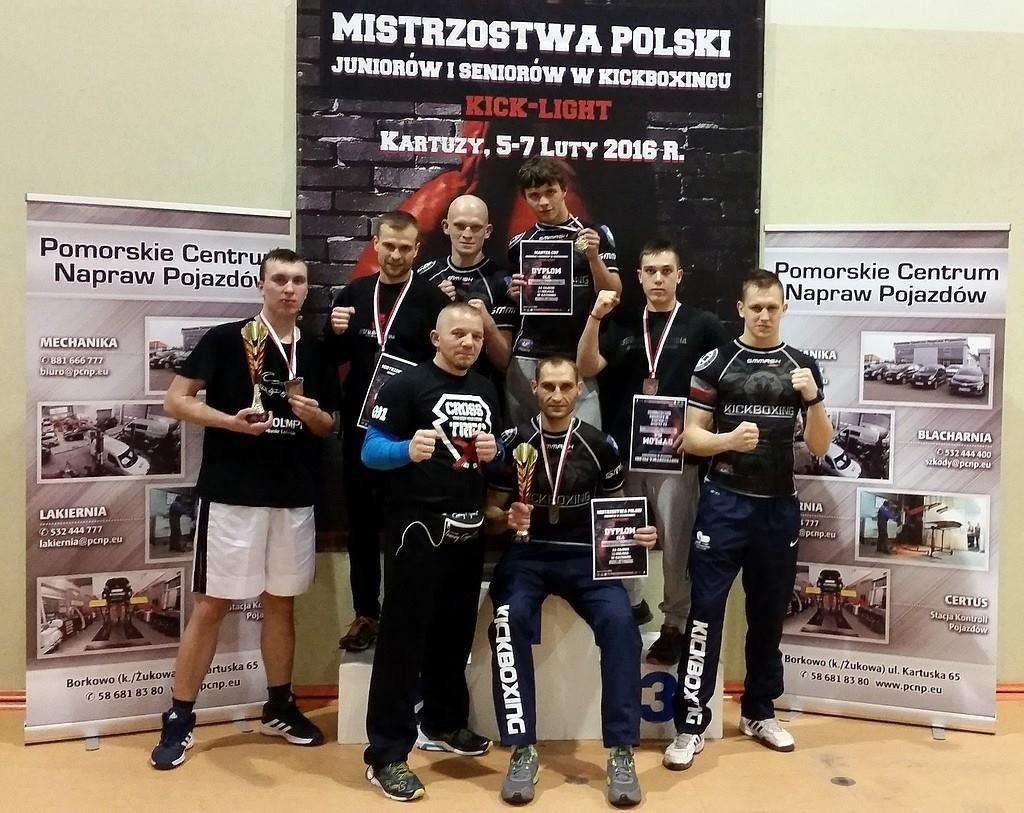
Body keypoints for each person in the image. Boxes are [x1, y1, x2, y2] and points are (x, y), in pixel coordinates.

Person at [150, 248, 337, 770]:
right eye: (279, 279)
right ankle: (179, 717)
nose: (289, 289)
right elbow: (175, 401)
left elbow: (329, 426)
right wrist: (230, 422)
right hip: (232, 495)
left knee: (281, 604)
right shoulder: (225, 338)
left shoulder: (315, 351)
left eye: (298, 280)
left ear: (306, 289)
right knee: (212, 606)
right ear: (261, 285)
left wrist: (314, 416)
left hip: (293, 497)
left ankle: (279, 706)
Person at [663, 269, 831, 770]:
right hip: (724, 504)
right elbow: (691, 438)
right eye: (755, 307)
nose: (763, 315)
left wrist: (813, 399)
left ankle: (759, 711)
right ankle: (690, 724)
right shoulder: (716, 362)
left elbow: (820, 446)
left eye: (772, 307)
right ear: (741, 309)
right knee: (705, 612)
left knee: (769, 613)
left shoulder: (803, 366)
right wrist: (728, 441)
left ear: (784, 309)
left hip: (778, 506)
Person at [483, 357, 657, 807]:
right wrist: (506, 518)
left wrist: (638, 534)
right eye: (548, 387)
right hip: (527, 557)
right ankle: (522, 748)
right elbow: (490, 513)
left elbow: (618, 511)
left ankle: (621, 751)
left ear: (579, 388)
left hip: (586, 560)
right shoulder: (513, 443)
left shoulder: (601, 445)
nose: (557, 396)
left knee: (621, 625)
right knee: (507, 623)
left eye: (565, 386)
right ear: (534, 390)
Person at [360, 302, 502, 802]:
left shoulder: (486, 388)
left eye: (476, 336)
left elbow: (492, 454)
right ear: (437, 338)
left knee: (453, 636)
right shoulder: (405, 385)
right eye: (458, 334)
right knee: (402, 643)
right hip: (416, 531)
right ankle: (385, 754)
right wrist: (405, 450)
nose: (468, 343)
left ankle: (442, 723)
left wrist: (496, 453)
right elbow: (369, 451)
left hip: (468, 530)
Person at [578, 239, 728, 663]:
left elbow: (724, 382)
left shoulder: (703, 324)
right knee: (621, 540)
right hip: (625, 455)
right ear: (639, 277)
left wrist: (703, 429)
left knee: (677, 544)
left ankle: (674, 625)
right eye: (650, 271)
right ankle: (626, 613)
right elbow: (586, 367)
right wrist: (594, 317)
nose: (658, 278)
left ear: (679, 275)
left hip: (677, 456)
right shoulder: (624, 321)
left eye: (666, 271)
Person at [326, 211, 450, 653]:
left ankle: (405, 612)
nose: (396, 255)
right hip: (362, 427)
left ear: (417, 250)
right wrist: (333, 331)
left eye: (404, 248)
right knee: (362, 524)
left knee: (409, 521)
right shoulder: (354, 294)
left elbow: (445, 366)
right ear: (376, 244)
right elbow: (332, 359)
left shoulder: (431, 298)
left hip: (412, 433)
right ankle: (366, 613)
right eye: (389, 246)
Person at [506, 156, 622, 427]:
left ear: (564, 190)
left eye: (550, 192)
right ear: (525, 198)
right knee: (524, 439)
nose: (544, 202)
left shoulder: (593, 234)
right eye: (535, 195)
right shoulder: (519, 244)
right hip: (530, 352)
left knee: (582, 439)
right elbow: (515, 299)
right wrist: (515, 292)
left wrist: (593, 257)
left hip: (577, 354)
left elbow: (613, 294)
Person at [414, 194, 517, 394]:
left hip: (481, 388)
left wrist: (486, 322)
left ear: (488, 231)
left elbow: (504, 361)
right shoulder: (425, 275)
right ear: (446, 227)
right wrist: (434, 303)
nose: (467, 234)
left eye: (475, 227)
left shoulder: (501, 281)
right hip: (430, 386)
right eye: (460, 226)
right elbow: (411, 341)